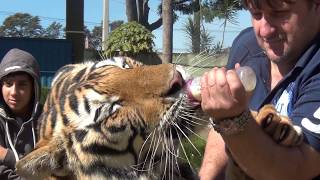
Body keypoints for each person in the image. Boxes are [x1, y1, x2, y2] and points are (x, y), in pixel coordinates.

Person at [199, 0, 320, 179]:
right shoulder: (246, 44)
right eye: (256, 14)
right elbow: (222, 135)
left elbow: (297, 168)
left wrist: (233, 119)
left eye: (279, 12)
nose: (264, 31)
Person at [0, 48, 42, 180]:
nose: (14, 92)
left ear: (33, 88)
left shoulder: (48, 120)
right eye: (8, 84)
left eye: (22, 85)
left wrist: (5, 155)